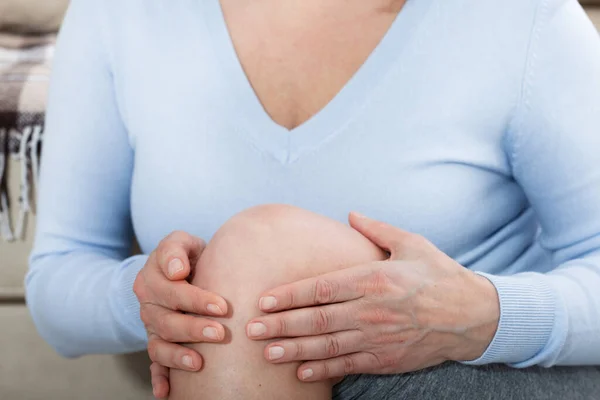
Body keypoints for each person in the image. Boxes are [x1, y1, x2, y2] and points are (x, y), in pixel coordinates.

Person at [26, 0, 600, 398]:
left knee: (262, 251)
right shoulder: (122, 15)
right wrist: (152, 301)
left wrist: (477, 314)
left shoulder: (520, 18)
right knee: (251, 264)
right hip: (225, 378)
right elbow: (59, 280)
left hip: (486, 380)